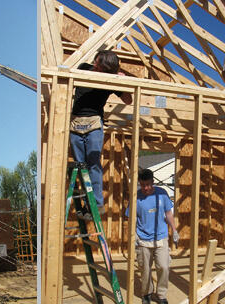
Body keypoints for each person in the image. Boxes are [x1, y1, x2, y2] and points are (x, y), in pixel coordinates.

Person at [70, 50, 132, 220]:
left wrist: (121, 80)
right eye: (96, 63)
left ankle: (96, 204)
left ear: (107, 70)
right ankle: (86, 205)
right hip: (75, 123)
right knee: (81, 167)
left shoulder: (110, 80)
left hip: (94, 124)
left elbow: (128, 100)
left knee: (94, 165)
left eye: (99, 67)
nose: (95, 67)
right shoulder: (83, 68)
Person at [125, 169, 179, 304]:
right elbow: (130, 219)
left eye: (148, 185)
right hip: (143, 239)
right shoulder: (136, 197)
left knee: (164, 267)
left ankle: (161, 295)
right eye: (143, 185)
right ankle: (147, 294)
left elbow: (168, 213)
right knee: (145, 270)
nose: (146, 188)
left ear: (153, 182)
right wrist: (133, 237)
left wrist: (174, 229)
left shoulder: (162, 194)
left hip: (161, 238)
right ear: (139, 183)